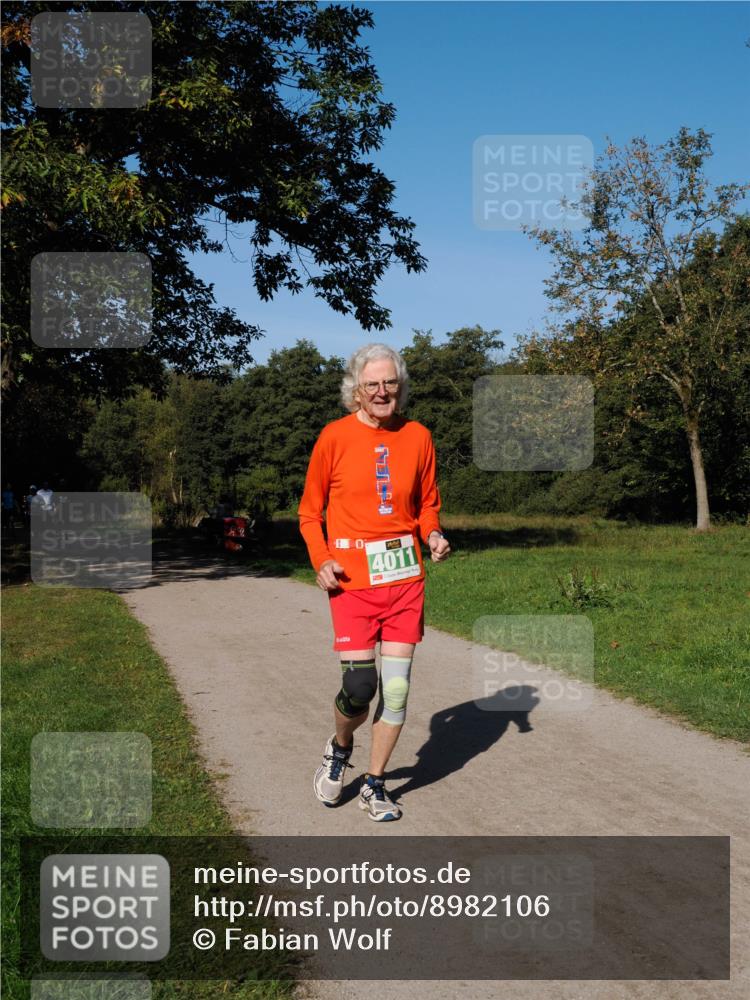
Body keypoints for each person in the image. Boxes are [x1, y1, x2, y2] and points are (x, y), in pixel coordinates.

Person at [299, 343, 451, 822]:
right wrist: (321, 560)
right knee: (361, 686)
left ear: (399, 386)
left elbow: (428, 503)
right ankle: (340, 746)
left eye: (390, 383)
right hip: (351, 582)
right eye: (372, 384)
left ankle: (375, 783)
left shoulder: (419, 436)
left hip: (404, 579)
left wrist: (433, 533)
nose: (383, 391)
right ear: (357, 391)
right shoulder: (334, 437)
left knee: (399, 690)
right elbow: (309, 513)